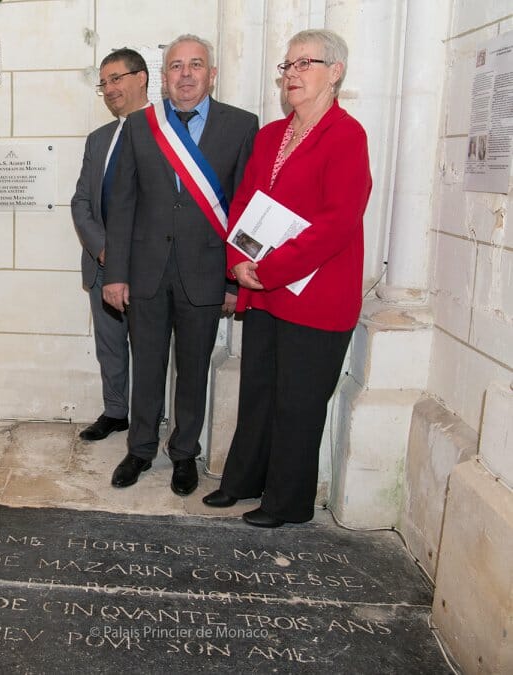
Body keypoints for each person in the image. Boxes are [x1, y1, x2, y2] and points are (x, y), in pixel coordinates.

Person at [202, 30, 371, 528]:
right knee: (258, 391)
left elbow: (338, 223)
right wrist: (237, 259)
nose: (292, 74)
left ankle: (288, 502)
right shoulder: (271, 135)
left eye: (305, 64)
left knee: (297, 404)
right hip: (264, 294)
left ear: (335, 72)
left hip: (315, 297)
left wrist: (269, 270)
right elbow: (244, 203)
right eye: (287, 65)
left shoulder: (347, 135)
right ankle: (242, 481)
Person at [103, 35, 257, 497]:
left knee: (192, 371)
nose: (185, 74)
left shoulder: (241, 125)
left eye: (196, 65)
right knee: (147, 366)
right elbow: (123, 202)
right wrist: (116, 274)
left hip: (206, 273)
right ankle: (141, 448)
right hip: (146, 272)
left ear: (212, 74)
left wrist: (235, 280)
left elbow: (245, 208)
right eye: (175, 66)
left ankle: (184, 453)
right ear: (162, 76)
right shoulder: (139, 126)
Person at [70, 48, 150, 442]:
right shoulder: (99, 139)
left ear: (142, 78)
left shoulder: (165, 131)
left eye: (118, 78)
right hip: (103, 263)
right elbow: (81, 202)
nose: (111, 88)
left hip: (149, 267)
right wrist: (105, 250)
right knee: (110, 345)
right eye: (105, 82)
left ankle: (149, 423)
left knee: (150, 350)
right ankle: (116, 411)